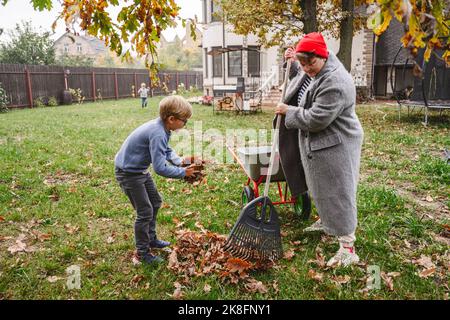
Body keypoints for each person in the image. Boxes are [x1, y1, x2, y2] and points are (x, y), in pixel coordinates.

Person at [275, 32, 364, 267]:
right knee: (320, 187)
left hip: (338, 143)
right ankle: (327, 221)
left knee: (338, 191)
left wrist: (288, 111)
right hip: (323, 143)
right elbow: (303, 81)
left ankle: (348, 247)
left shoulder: (335, 82)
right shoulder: (319, 68)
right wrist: (294, 62)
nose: (306, 68)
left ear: (322, 56)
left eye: (309, 63)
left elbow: (316, 119)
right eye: (302, 63)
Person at [115, 95, 196, 265]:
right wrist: (183, 173)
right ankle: (142, 253)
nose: (185, 124)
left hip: (139, 171)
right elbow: (160, 168)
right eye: (184, 121)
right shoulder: (158, 132)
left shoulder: (162, 127)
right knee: (145, 212)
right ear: (172, 119)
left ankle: (151, 239)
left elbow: (166, 149)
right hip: (129, 173)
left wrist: (180, 161)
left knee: (155, 202)